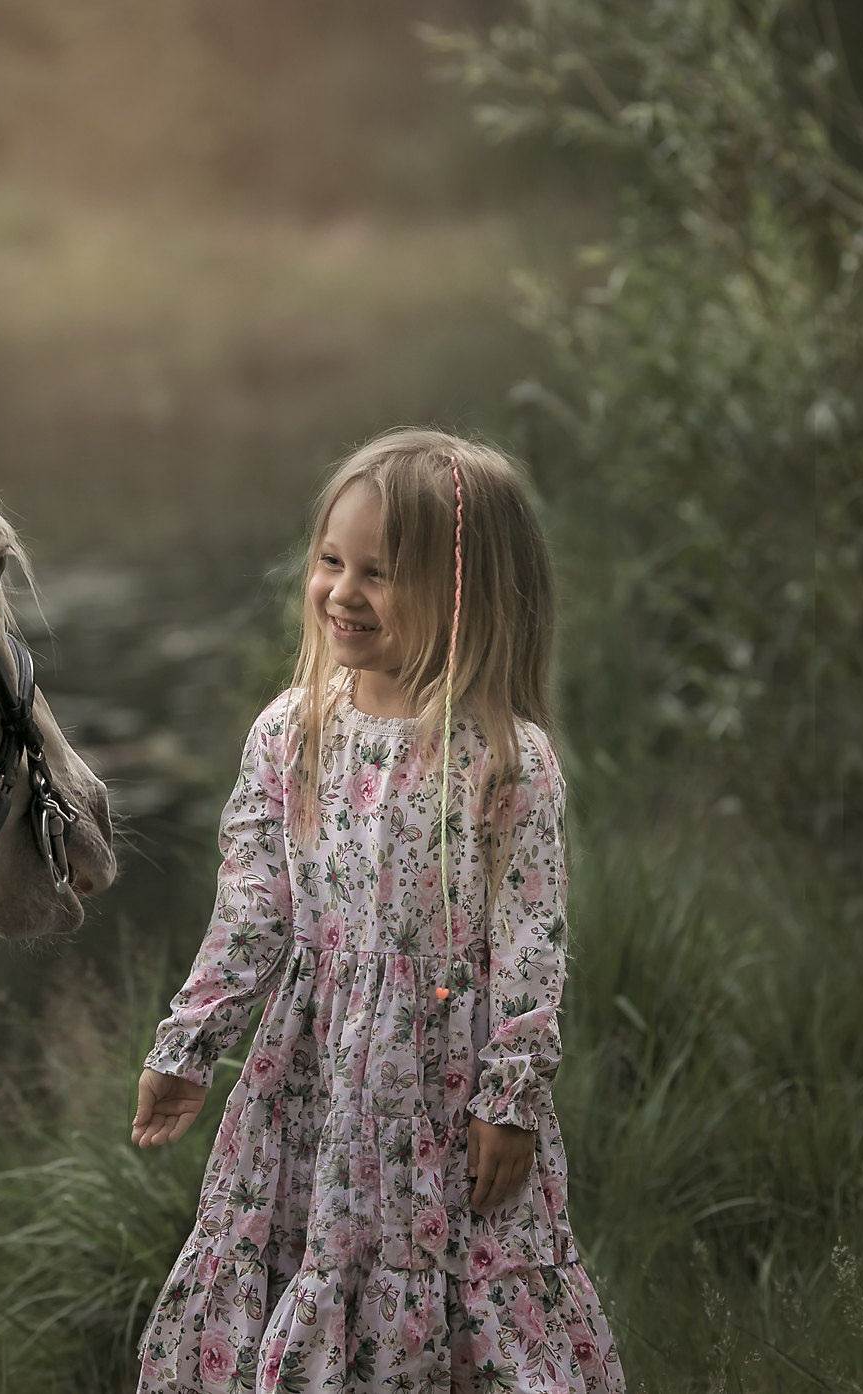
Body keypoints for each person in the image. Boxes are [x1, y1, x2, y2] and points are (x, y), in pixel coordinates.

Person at [130, 429, 625, 1393]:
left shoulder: (500, 758)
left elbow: (531, 942)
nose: (342, 593)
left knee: (454, 1283)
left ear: (464, 594)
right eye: (330, 562)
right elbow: (254, 911)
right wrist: (188, 1045)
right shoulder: (292, 730)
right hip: (310, 1074)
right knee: (309, 1264)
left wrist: (510, 1096)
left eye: (380, 573)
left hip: (440, 1086)